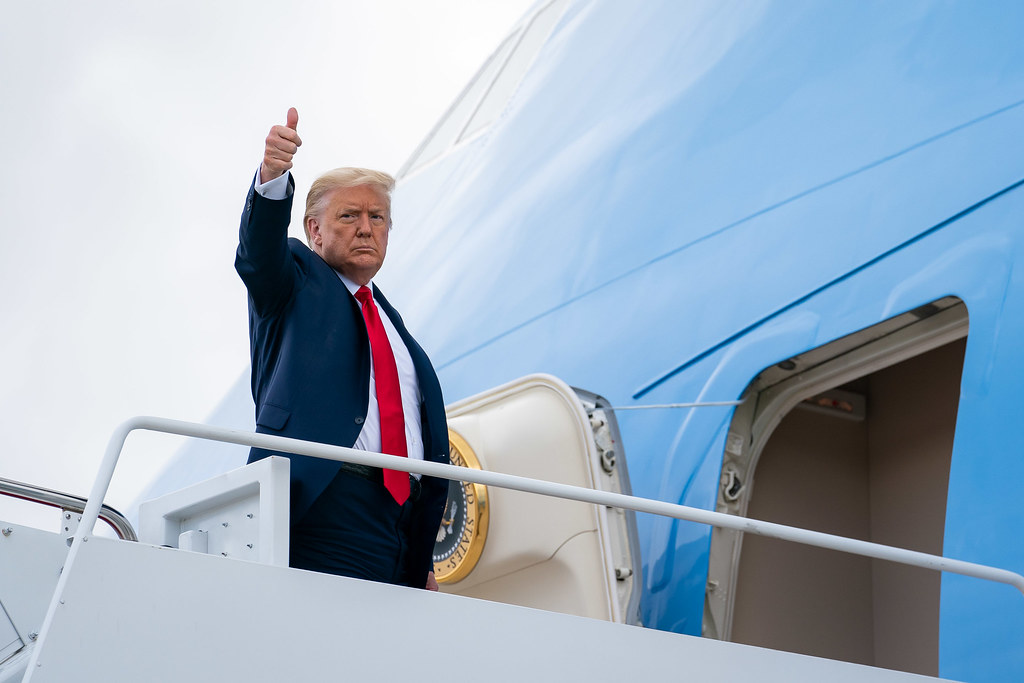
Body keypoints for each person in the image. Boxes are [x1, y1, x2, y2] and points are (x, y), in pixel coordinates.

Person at [235, 107, 450, 590]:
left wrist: (421, 555)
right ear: (314, 230)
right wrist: (271, 179)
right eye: (348, 216)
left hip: (400, 525)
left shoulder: (396, 329)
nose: (366, 228)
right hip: (324, 504)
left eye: (377, 217)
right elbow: (258, 254)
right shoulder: (294, 282)